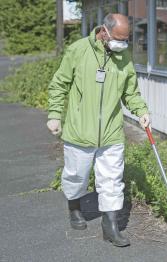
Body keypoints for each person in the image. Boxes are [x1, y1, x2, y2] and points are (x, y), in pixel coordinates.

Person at [46, 13, 150, 247]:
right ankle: (74, 207)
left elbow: (130, 91)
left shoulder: (123, 56)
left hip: (111, 131)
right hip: (80, 130)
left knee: (112, 179)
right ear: (103, 31)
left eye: (126, 40)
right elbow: (59, 83)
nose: (122, 44)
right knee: (76, 176)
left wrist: (141, 110)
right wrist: (54, 114)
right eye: (117, 39)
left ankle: (110, 226)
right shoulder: (79, 50)